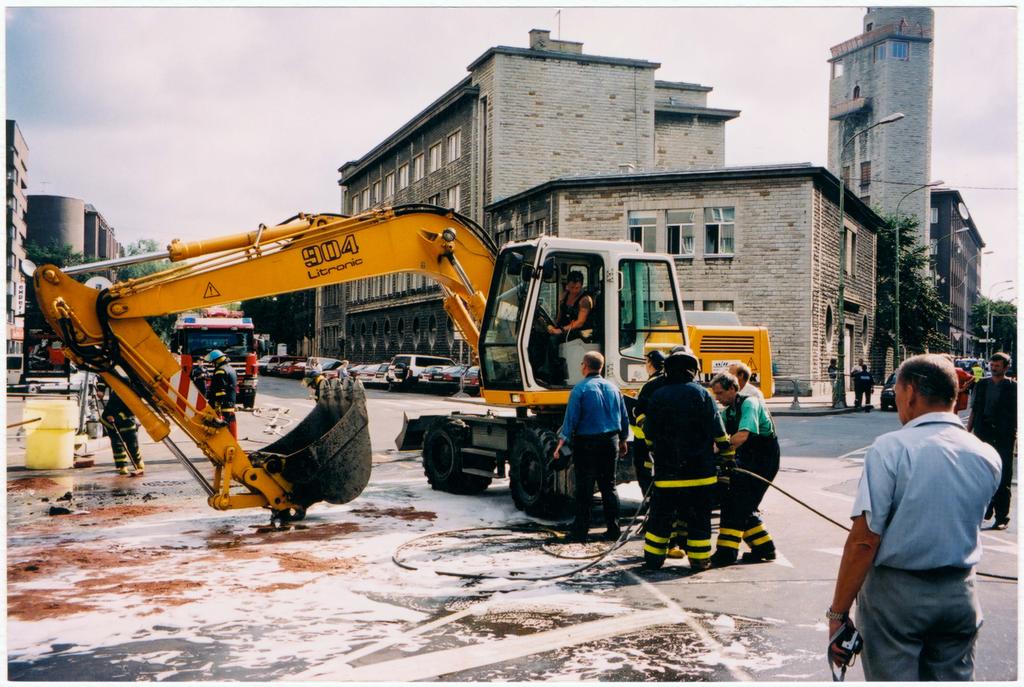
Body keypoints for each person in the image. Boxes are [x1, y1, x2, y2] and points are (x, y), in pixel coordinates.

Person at [827, 354, 1000, 681]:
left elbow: (864, 541)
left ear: (910, 393)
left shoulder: (890, 449)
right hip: (960, 592)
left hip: (897, 597)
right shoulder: (985, 454)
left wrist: (838, 612)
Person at [642, 347, 730, 571]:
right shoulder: (702, 394)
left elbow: (649, 433)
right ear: (693, 371)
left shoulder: (658, 395)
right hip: (701, 474)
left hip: (667, 475)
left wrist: (657, 453)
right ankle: (699, 560)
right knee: (699, 519)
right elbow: (718, 430)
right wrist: (727, 455)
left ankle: (653, 560)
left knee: (661, 518)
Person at [554, 351, 629, 542]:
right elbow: (624, 416)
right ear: (601, 367)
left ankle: (580, 531)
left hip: (587, 443)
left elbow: (570, 421)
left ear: (585, 366)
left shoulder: (580, 389)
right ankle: (613, 530)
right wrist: (622, 440)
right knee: (609, 486)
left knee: (585, 488)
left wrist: (560, 444)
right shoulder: (614, 388)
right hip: (610, 441)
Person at [709, 372, 780, 566]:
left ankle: (726, 553)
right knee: (740, 504)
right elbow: (718, 435)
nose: (717, 398)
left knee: (738, 505)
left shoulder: (750, 404)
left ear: (733, 389)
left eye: (720, 393)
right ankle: (765, 548)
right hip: (747, 460)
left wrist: (716, 449)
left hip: (764, 461)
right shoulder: (728, 411)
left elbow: (741, 437)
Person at [967, 352, 1017, 530]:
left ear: (1005, 368)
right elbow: (974, 409)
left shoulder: (1013, 387)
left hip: (1004, 436)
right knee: (982, 473)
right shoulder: (982, 385)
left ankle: (1002, 516)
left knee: (1003, 475)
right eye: (992, 364)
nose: (993, 368)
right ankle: (985, 510)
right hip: (983, 433)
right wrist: (968, 431)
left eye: (997, 365)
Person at [543, 271, 595, 384]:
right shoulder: (565, 295)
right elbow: (561, 313)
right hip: (567, 327)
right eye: (572, 287)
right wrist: (554, 326)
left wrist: (559, 330)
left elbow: (580, 322)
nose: (574, 290)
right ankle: (541, 367)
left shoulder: (585, 300)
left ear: (581, 285)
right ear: (568, 285)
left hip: (582, 331)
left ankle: (553, 372)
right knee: (543, 334)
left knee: (554, 339)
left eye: (577, 287)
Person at [627, 350, 666, 496]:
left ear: (650, 363)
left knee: (643, 467)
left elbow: (640, 410)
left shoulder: (650, 384)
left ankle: (649, 498)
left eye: (646, 363)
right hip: (658, 434)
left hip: (644, 435)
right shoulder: (665, 381)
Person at [101, 389, 144, 476]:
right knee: (117, 445)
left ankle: (138, 461)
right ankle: (122, 466)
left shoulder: (135, 397)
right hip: (111, 424)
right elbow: (110, 406)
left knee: (133, 444)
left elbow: (130, 411)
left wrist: (116, 418)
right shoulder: (116, 393)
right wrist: (109, 415)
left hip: (127, 421)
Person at [206, 349, 238, 438]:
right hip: (230, 404)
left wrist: (215, 406)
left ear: (217, 361)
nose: (212, 364)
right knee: (231, 430)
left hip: (223, 406)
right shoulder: (231, 369)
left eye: (213, 362)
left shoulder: (220, 371)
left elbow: (220, 392)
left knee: (222, 432)